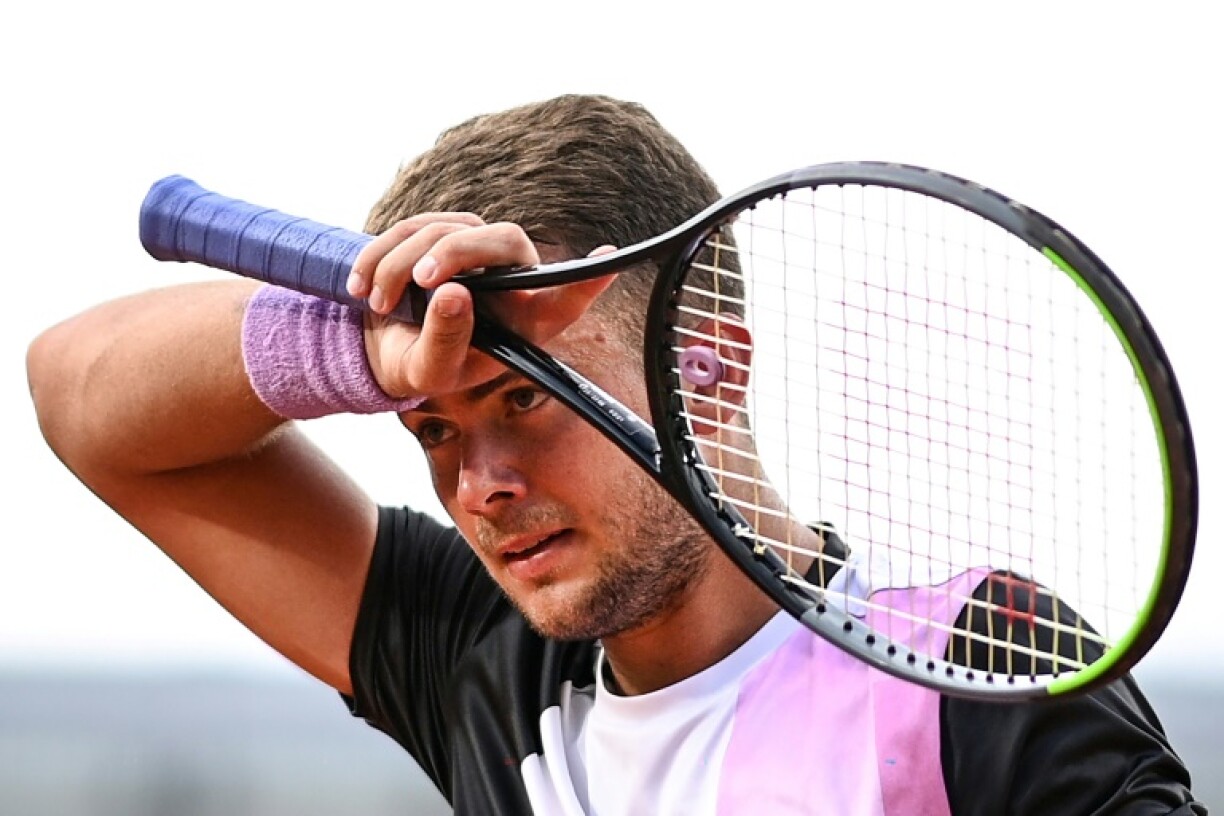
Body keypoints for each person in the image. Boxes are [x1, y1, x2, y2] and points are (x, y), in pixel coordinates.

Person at [28, 95, 1204, 815]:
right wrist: (363, 342)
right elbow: (79, 397)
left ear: (712, 366)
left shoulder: (967, 664)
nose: (479, 485)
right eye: (433, 425)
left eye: (527, 398)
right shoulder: (483, 667)